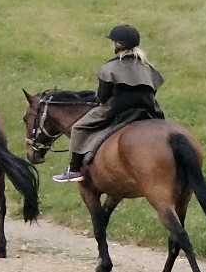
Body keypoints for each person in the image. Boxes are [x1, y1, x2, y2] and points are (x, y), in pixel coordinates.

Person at [54, 25, 165, 183]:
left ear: (118, 45)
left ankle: (74, 169)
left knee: (78, 127)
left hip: (116, 109)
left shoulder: (109, 68)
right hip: (148, 108)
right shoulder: (147, 67)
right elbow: (153, 89)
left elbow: (103, 96)